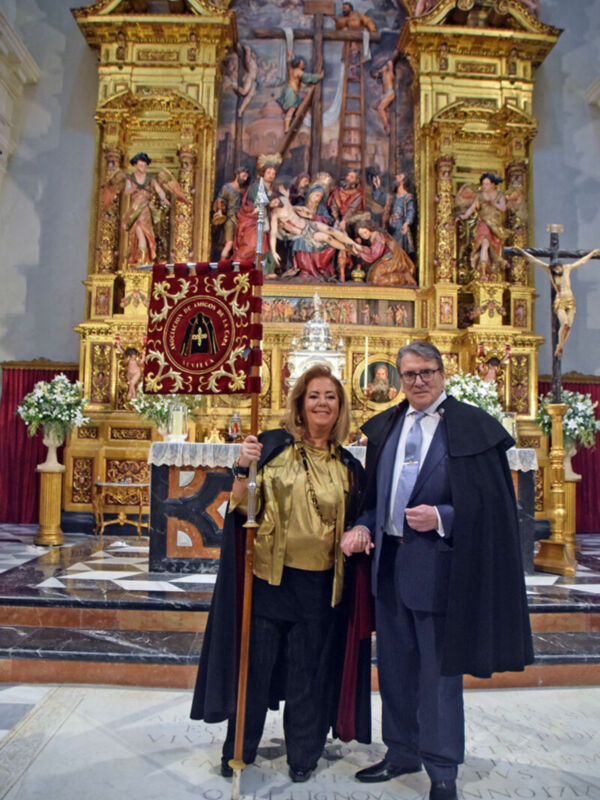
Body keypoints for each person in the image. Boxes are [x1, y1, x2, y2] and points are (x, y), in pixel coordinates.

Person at [342, 341, 533, 800]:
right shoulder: (387, 426)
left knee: (438, 676)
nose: (418, 382)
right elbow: (374, 499)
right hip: (389, 569)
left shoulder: (468, 427)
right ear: (398, 379)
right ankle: (401, 751)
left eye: (426, 372)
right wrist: (363, 527)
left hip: (440, 570)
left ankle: (443, 769)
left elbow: (492, 505)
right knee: (393, 671)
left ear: (442, 374)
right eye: (408, 375)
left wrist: (443, 517)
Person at [191, 364, 372, 782]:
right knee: (254, 671)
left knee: (309, 674)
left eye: (330, 396)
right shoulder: (271, 447)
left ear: (340, 406)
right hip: (270, 582)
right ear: (300, 403)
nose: (322, 403)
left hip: (322, 585)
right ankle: (240, 748)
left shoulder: (348, 465)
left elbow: (359, 519)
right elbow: (238, 508)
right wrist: (241, 467)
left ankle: (304, 754)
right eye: (314, 396)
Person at [515, 246, 600, 357]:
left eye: (557, 269)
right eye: (554, 269)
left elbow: (581, 262)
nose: (556, 271)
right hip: (560, 300)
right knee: (564, 324)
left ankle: (559, 346)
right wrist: (521, 251)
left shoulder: (567, 268)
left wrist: (592, 253)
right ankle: (559, 347)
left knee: (569, 326)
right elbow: (534, 260)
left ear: (560, 266)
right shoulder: (550, 271)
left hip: (570, 299)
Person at [456, 172, 508, 281]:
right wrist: (464, 216)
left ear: (493, 184)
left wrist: (495, 204)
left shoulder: (500, 195)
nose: (484, 186)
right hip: (484, 224)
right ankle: (483, 273)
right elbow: (472, 208)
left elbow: (503, 208)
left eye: (487, 184)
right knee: (484, 243)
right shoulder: (479, 195)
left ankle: (490, 273)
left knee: (493, 250)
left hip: (495, 226)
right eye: (483, 184)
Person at [232, 153, 281, 264]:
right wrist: (271, 202)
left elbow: (275, 203)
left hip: (265, 222)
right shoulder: (256, 187)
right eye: (268, 172)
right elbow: (259, 203)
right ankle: (239, 265)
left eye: (273, 173)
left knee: (265, 241)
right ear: (263, 173)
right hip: (251, 220)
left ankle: (265, 269)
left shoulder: (272, 190)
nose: (271, 175)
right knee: (253, 242)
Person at [356, 222, 417, 286]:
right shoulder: (374, 235)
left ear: (369, 229)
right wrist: (361, 249)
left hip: (393, 257)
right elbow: (372, 250)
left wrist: (360, 252)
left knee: (376, 277)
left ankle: (405, 277)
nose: (364, 235)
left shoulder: (378, 236)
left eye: (365, 232)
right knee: (374, 275)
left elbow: (374, 255)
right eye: (361, 234)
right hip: (387, 256)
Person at [372, 173, 416, 258]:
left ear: (403, 182)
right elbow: (379, 198)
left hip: (401, 226)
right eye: (397, 176)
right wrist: (377, 187)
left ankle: (392, 252)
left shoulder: (408, 197)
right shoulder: (391, 197)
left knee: (396, 249)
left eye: (399, 177)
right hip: (390, 226)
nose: (396, 177)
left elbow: (411, 211)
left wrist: (406, 223)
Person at [212, 166, 251, 259]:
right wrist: (220, 211)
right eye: (243, 176)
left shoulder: (244, 190)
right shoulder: (227, 187)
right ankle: (221, 266)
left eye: (246, 177)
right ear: (237, 175)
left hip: (241, 219)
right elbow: (220, 200)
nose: (244, 179)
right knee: (229, 243)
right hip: (230, 218)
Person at [277, 56, 323, 132]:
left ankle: (290, 126)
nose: (304, 65)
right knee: (291, 110)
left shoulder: (290, 69)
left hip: (293, 91)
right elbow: (308, 78)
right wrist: (319, 77)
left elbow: (288, 62)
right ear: (298, 64)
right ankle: (286, 128)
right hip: (291, 92)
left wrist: (289, 55)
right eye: (302, 63)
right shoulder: (298, 71)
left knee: (294, 110)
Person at [372, 60, 395, 136]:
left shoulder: (389, 73)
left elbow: (390, 62)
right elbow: (375, 74)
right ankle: (385, 113)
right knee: (373, 105)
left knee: (380, 108)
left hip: (390, 93)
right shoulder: (382, 76)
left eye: (383, 66)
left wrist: (389, 64)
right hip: (384, 95)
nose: (382, 68)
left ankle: (387, 126)